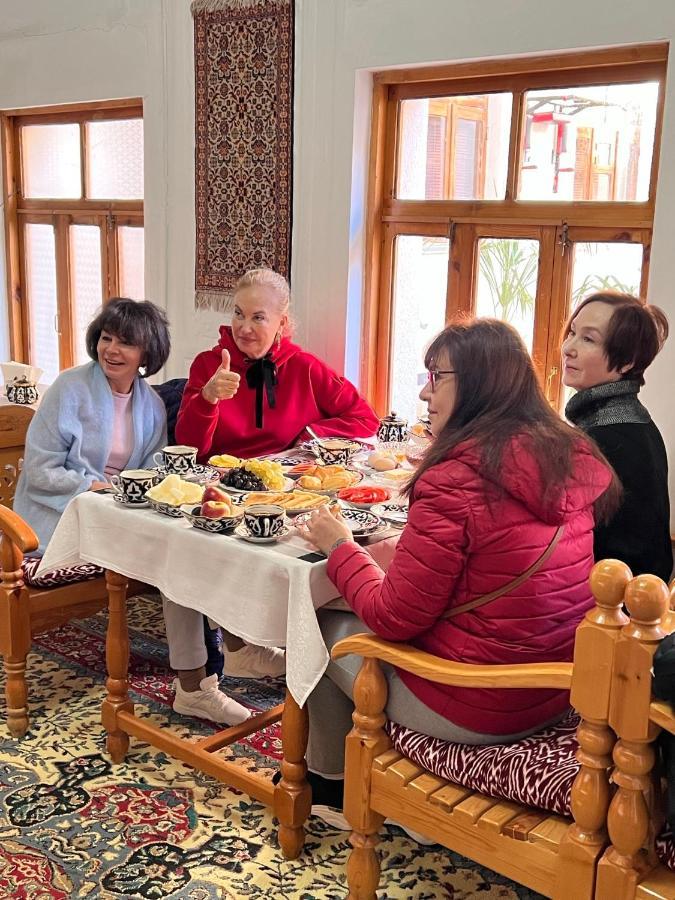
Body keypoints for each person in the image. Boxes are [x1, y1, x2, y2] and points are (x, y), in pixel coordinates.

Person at [298, 318, 618, 824]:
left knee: (315, 626)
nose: (424, 391)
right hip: (552, 690)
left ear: (478, 383)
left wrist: (339, 546)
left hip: (475, 706)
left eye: (436, 377)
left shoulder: (456, 477)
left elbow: (394, 619)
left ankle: (333, 786)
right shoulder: (565, 456)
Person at [13, 299, 252, 730]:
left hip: (123, 513)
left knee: (191, 539)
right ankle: (203, 679)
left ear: (147, 354)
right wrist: (95, 487)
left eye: (127, 342)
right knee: (175, 550)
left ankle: (222, 661)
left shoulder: (152, 405)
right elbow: (42, 472)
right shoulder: (68, 390)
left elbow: (154, 468)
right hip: (65, 517)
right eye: (107, 338)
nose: (113, 350)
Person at [162, 268, 378, 715]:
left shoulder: (304, 367)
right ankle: (196, 683)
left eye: (258, 317)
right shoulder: (210, 364)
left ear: (283, 322)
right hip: (220, 489)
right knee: (184, 549)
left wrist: (305, 436)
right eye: (238, 314)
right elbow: (189, 446)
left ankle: (246, 649)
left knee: (309, 555)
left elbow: (363, 418)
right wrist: (206, 400)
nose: (245, 327)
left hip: (281, 490)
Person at [562, 292, 671, 582]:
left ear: (627, 362)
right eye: (572, 332)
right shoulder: (637, 421)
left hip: (615, 609)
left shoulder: (601, 437)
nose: (568, 348)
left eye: (588, 339)